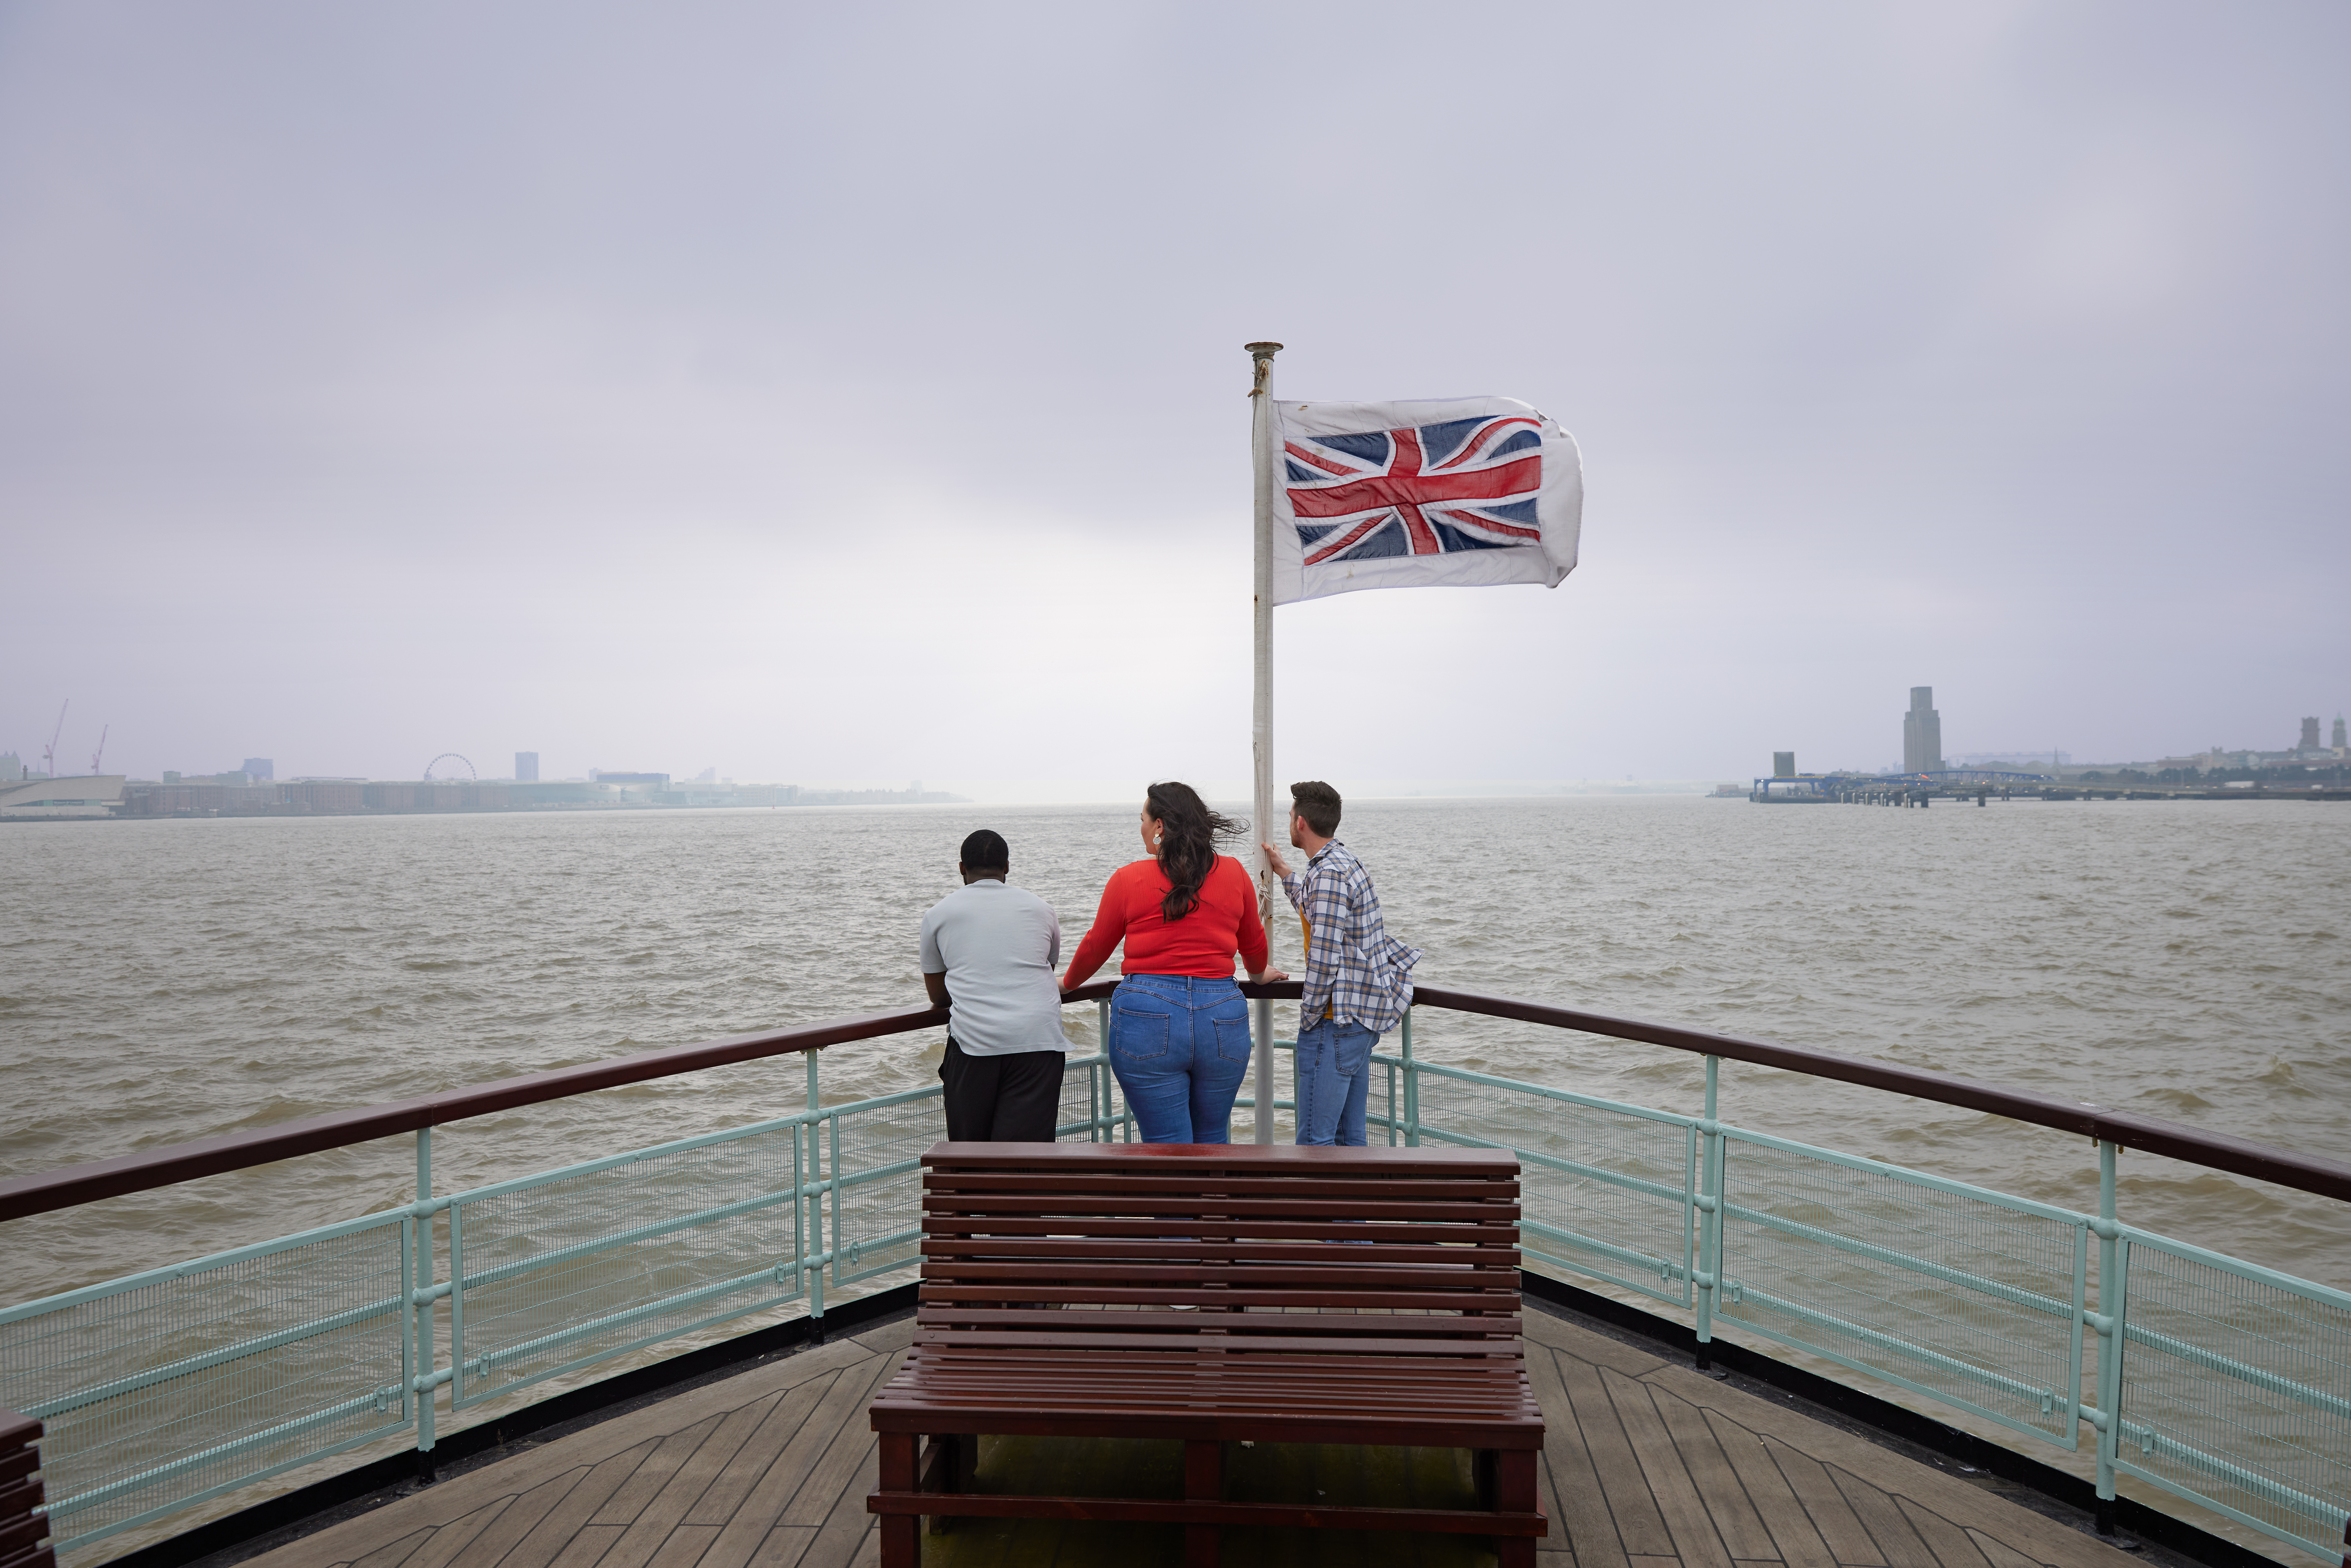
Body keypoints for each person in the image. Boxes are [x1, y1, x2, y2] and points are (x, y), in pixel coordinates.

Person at [1060, 781, 1285, 1143]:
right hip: (1221, 1019)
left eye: (1143, 820)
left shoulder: (1128, 878)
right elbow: (1254, 947)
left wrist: (1066, 985)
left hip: (1146, 1016)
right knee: (1212, 1140)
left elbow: (1094, 947)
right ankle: (1215, 1199)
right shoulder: (1233, 874)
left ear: (1160, 826)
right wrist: (1258, 975)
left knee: (1167, 1148)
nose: (1142, 828)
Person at [1262, 781, 1420, 1147]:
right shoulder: (1340, 863)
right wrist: (1285, 872)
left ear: (1300, 823)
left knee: (1316, 1143)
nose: (1288, 823)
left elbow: (1324, 956)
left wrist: (1308, 1018)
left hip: (1337, 1022)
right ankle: (1354, 1205)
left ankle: (1318, 1206)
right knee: (1350, 1141)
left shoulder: (1328, 875)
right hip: (1359, 1020)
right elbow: (1318, 912)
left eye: (1289, 816)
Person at [919, 829, 1068, 1142]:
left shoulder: (938, 915)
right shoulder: (1042, 909)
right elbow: (1045, 970)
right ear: (1008, 866)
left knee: (971, 1154)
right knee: (1027, 1159)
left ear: (962, 867)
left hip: (975, 1044)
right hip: (1038, 1042)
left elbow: (938, 997)